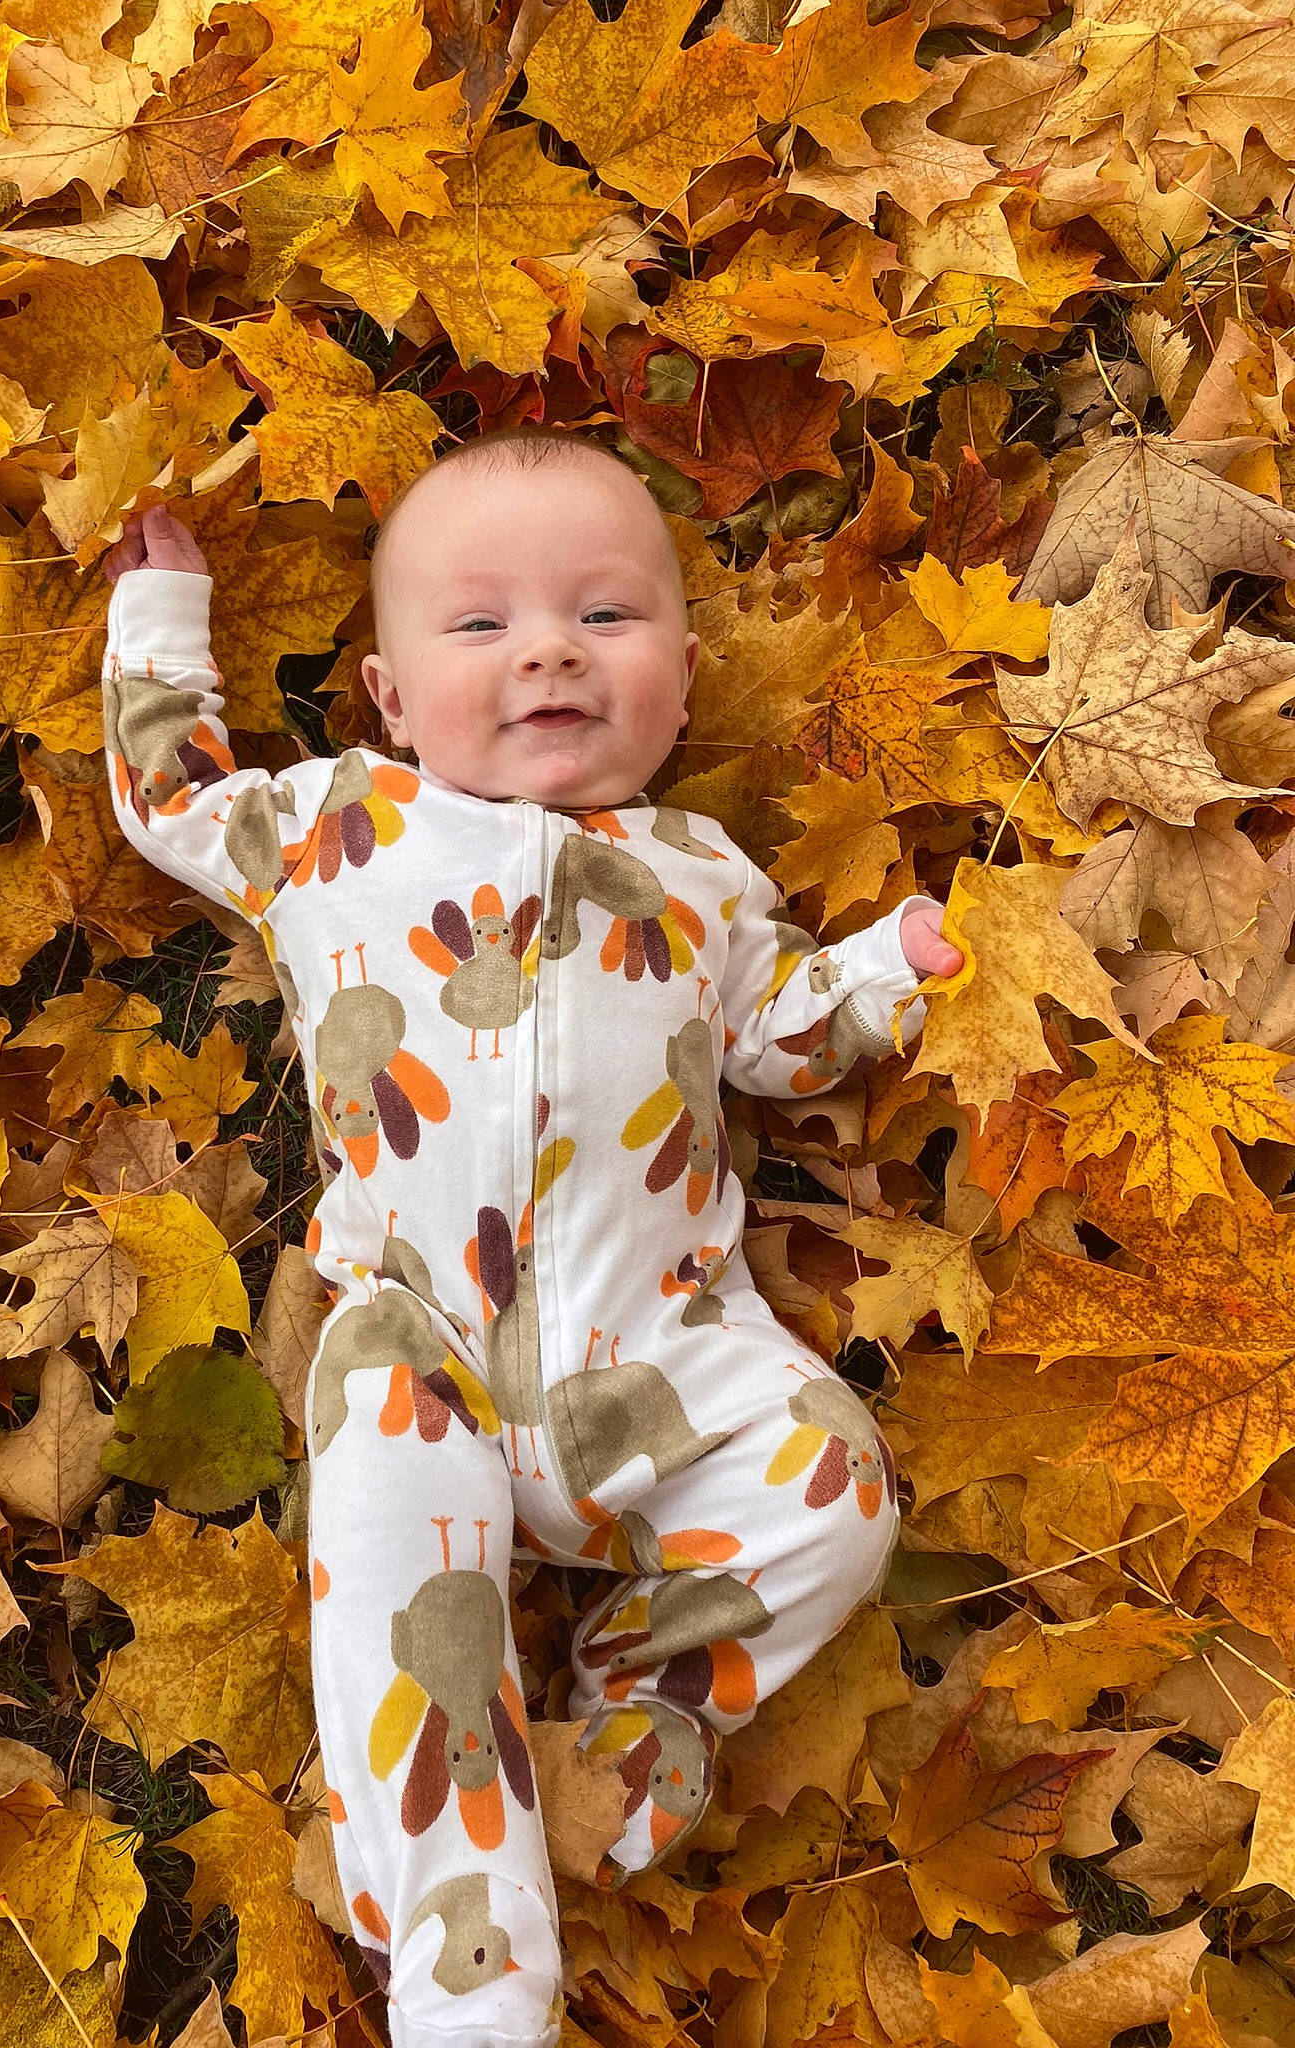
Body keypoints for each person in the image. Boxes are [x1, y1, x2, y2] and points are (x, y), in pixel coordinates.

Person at [100, 428, 961, 2048]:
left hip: (665, 1351)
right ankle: (469, 1984)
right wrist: (160, 624)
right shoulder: (337, 828)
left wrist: (885, 970)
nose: (552, 648)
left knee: (837, 1494)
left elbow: (778, 1039)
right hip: (416, 1345)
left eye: (607, 619)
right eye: (482, 624)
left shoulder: (702, 873)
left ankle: (643, 1713)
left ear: (685, 684)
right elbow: (171, 803)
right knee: (392, 1605)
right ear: (390, 700)